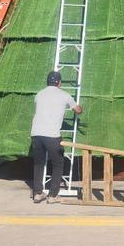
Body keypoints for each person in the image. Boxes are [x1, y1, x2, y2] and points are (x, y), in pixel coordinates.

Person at [30, 70, 82, 203]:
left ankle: (37, 193)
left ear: (48, 82)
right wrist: (80, 107)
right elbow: (77, 110)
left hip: (36, 134)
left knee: (39, 163)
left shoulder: (39, 94)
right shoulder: (64, 95)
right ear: (59, 83)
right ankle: (53, 195)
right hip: (52, 135)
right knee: (58, 163)